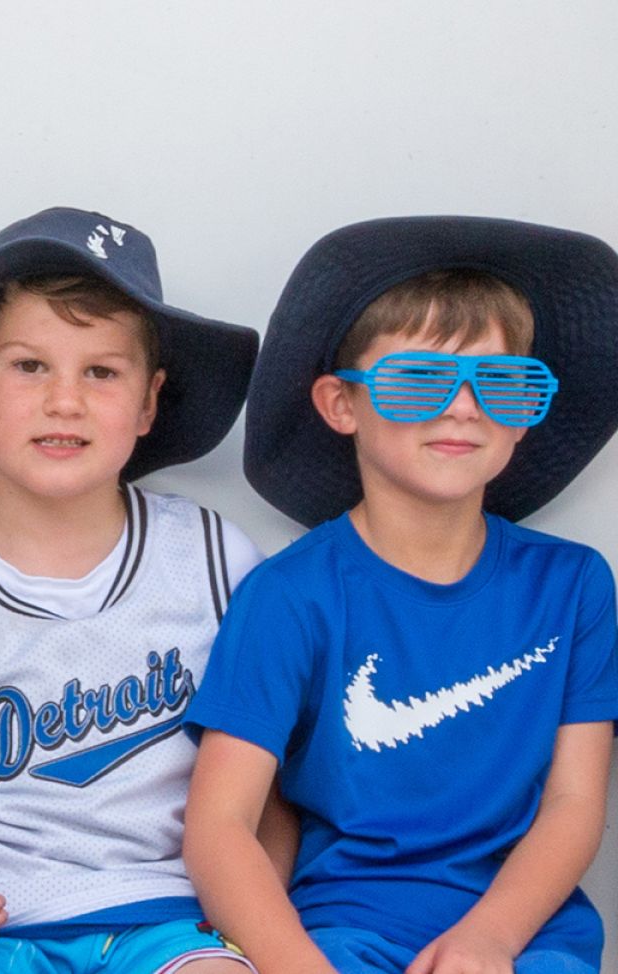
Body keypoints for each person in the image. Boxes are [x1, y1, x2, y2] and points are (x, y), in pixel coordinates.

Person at [186, 216, 618, 974]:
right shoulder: (290, 595)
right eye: (419, 379)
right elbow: (219, 825)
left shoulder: (574, 584)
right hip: (342, 938)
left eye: (503, 383)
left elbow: (575, 805)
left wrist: (491, 940)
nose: (463, 407)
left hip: (527, 941)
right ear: (340, 404)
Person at [0, 207, 268, 974]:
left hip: (166, 918)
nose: (64, 401)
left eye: (101, 372)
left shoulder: (214, 559)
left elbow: (266, 775)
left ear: (148, 403)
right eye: (30, 366)